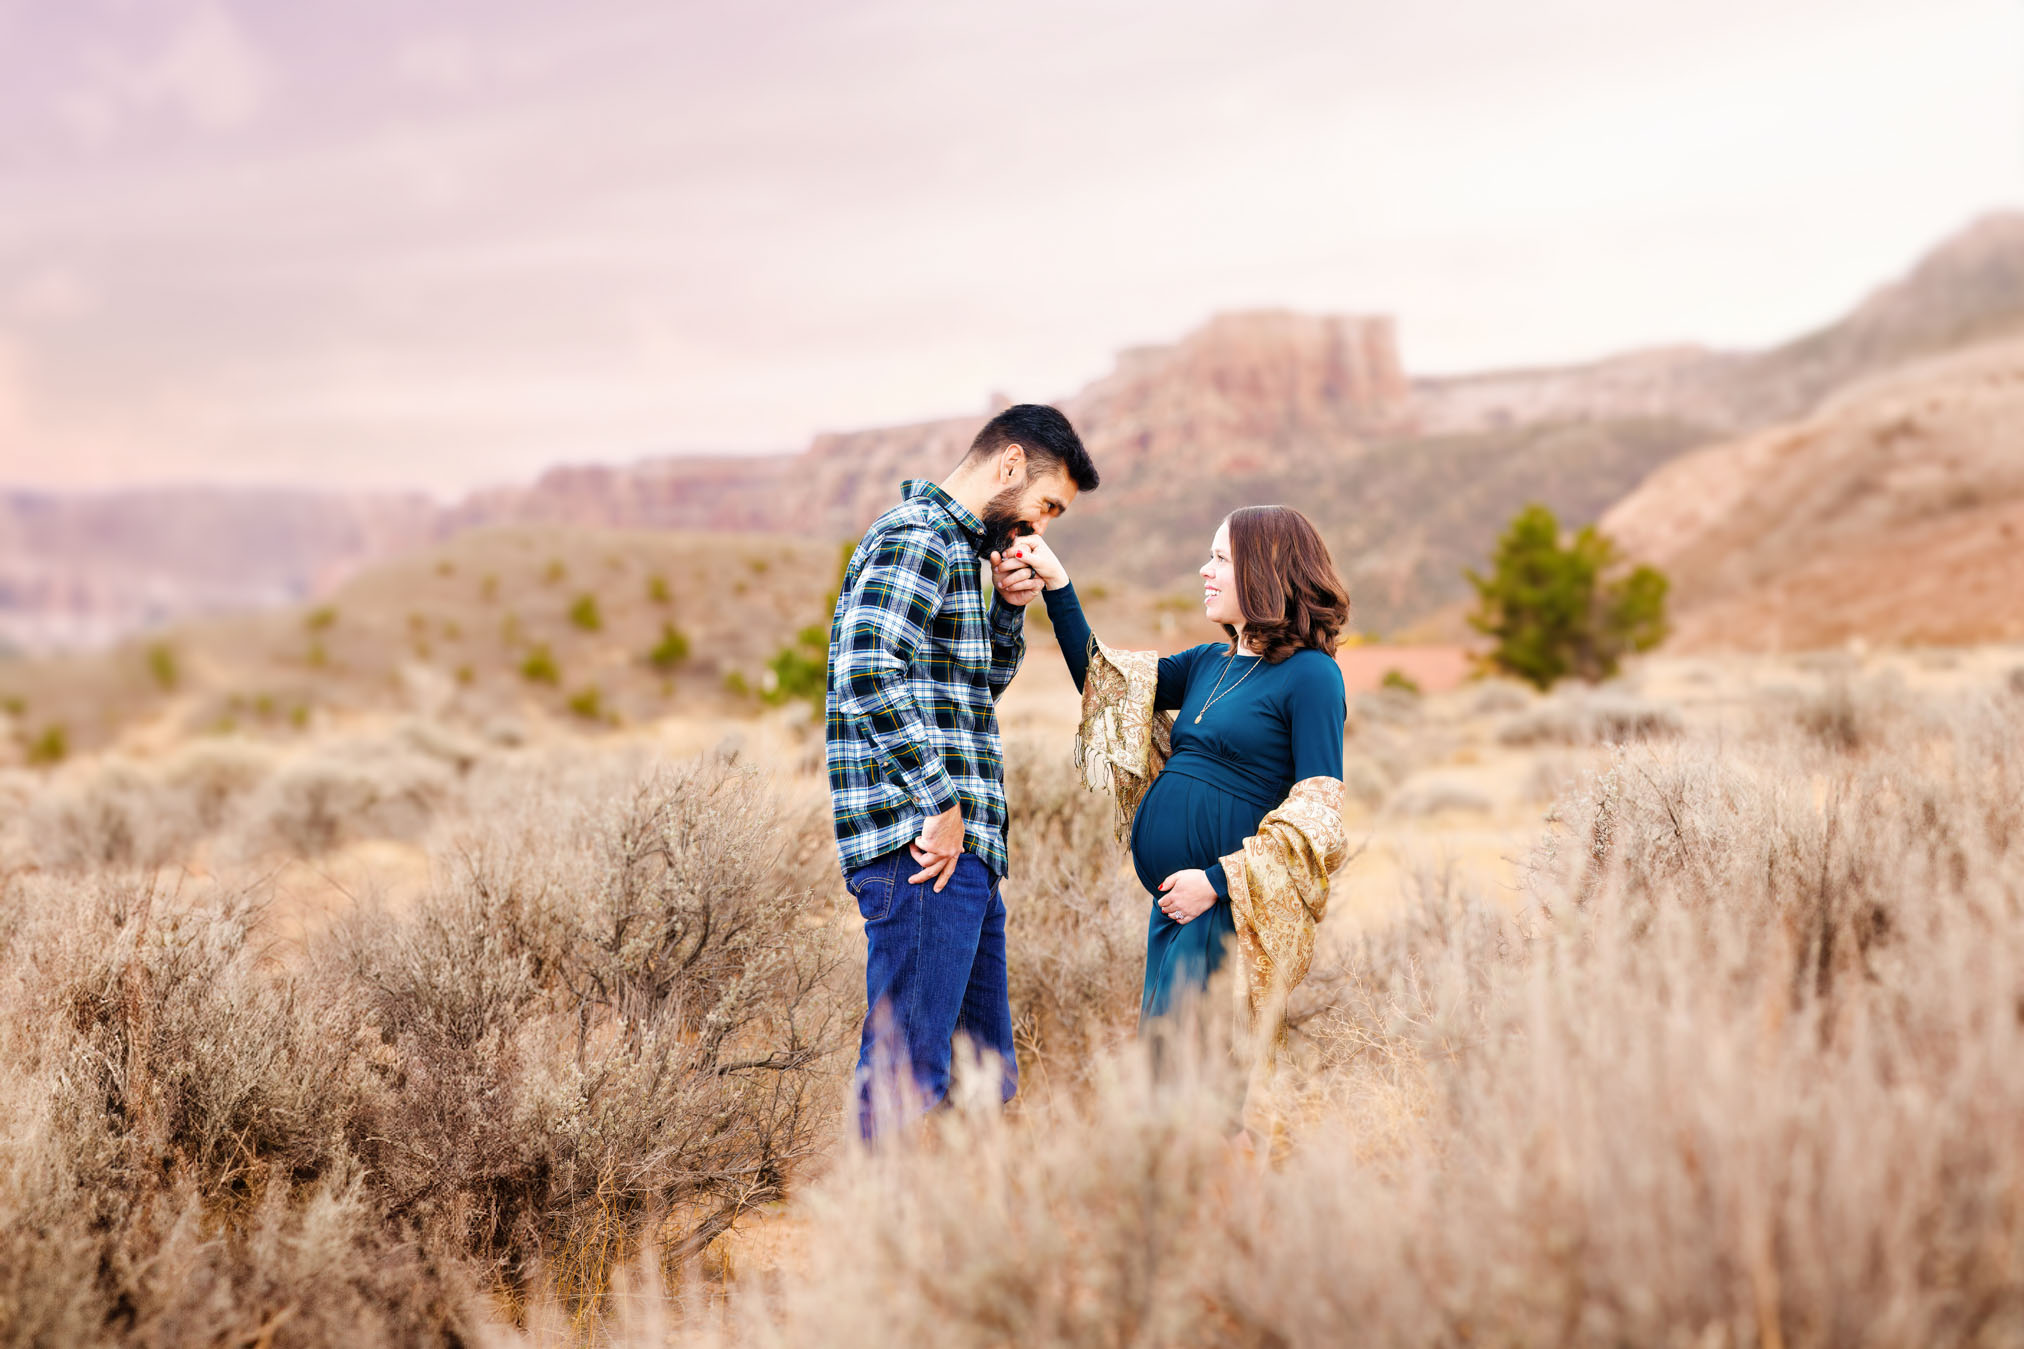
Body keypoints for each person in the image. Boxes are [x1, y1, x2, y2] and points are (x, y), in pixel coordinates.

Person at [997, 507, 1350, 1126]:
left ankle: (1209, 1207)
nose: (1205, 571)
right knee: (1166, 1072)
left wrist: (1213, 884)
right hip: (1172, 905)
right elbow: (1103, 683)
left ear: (1265, 571)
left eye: (1221, 559)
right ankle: (1175, 1210)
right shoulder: (1208, 665)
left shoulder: (1312, 677)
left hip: (1223, 909)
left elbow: (1318, 812)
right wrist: (1057, 584)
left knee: (1195, 1081)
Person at [826, 403, 1100, 1139]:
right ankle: (877, 1246)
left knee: (982, 1077)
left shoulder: (955, 549)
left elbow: (967, 699)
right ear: (1008, 464)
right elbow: (865, 671)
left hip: (960, 852)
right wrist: (941, 802)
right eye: (1046, 504)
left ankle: (951, 1242)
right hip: (920, 849)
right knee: (907, 1076)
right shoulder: (917, 537)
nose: (1039, 526)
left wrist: (1009, 611)